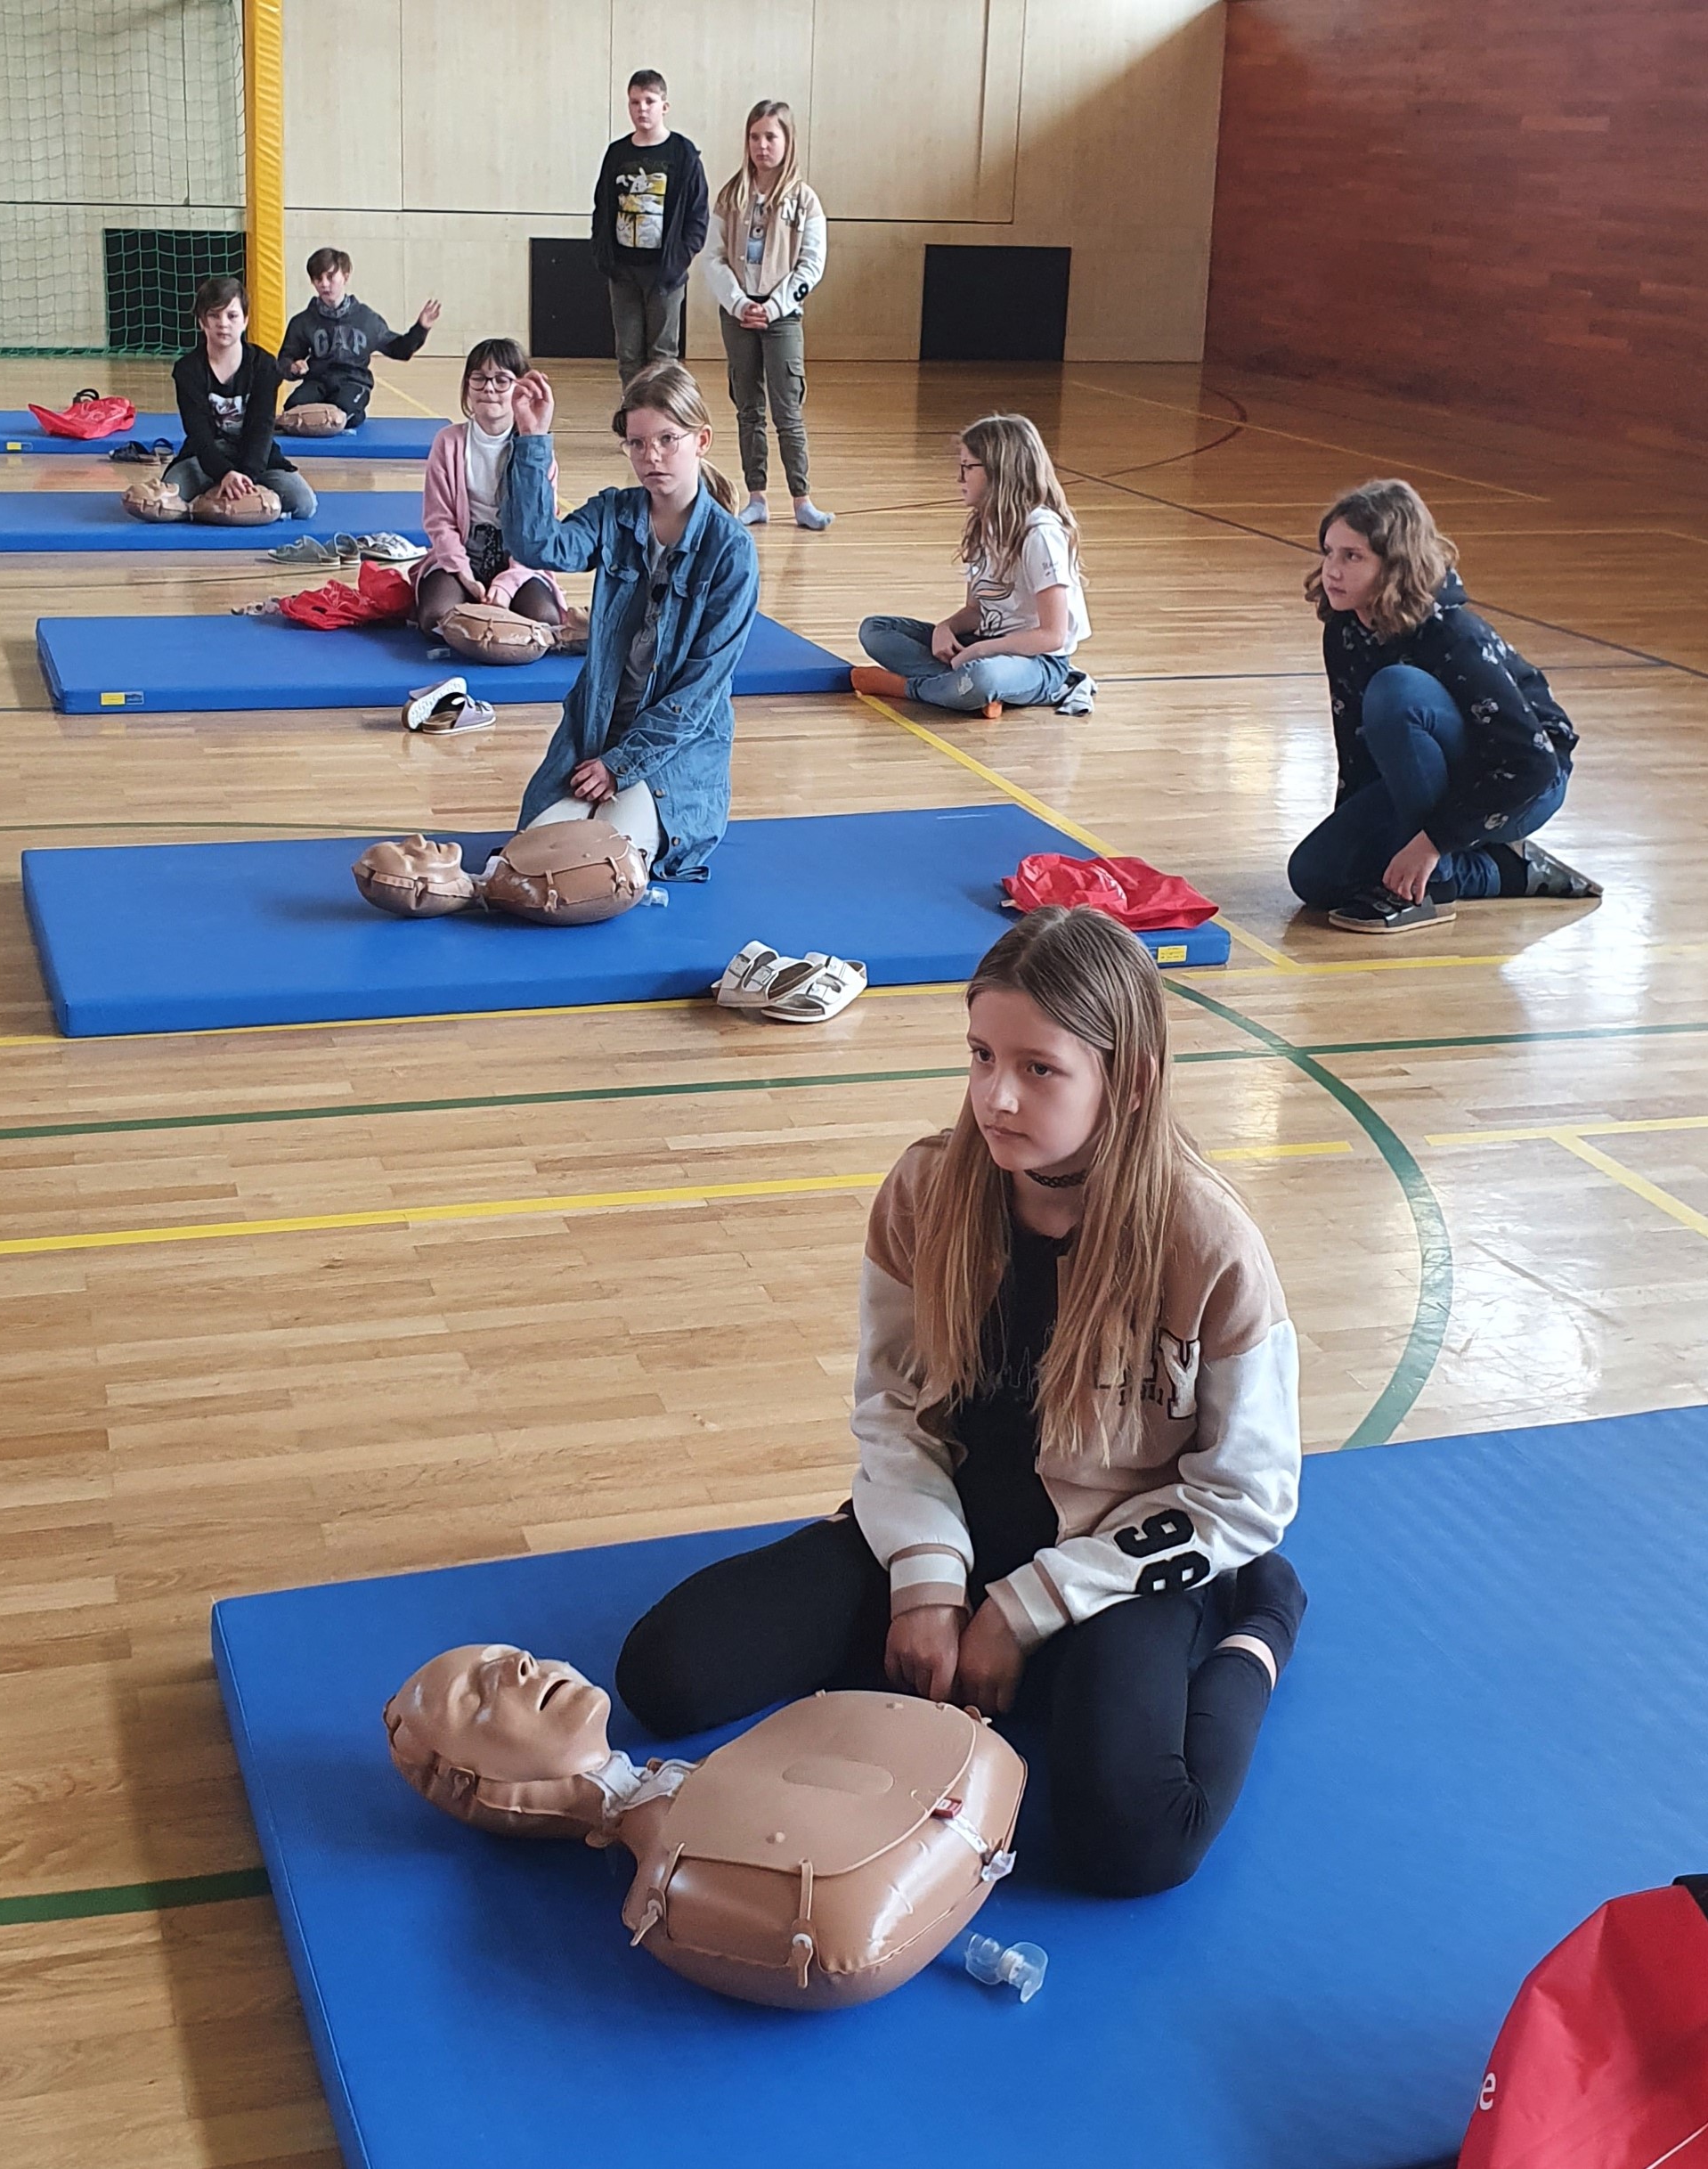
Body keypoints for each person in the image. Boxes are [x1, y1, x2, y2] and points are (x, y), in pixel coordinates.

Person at [616, 905, 1307, 1899]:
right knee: (667, 1671)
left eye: (1038, 1068)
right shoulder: (926, 1189)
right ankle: (998, 1641)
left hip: (1112, 1561)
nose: (995, 1096)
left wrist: (1025, 1609)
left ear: (1130, 1079)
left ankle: (1260, 1617)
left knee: (1136, 1842)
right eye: (981, 1055)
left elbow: (1246, 1491)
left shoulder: (1209, 1244)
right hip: (952, 1521)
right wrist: (928, 1582)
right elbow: (892, 1412)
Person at [1289, 478, 1599, 934]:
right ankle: (1505, 869)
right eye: (1329, 552)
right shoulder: (1345, 628)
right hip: (1434, 776)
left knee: (1397, 691)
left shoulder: (1453, 635)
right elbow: (1355, 744)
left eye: (1352, 556)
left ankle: (1437, 887)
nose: (1332, 570)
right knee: (1316, 876)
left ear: (1395, 566)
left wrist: (1430, 845)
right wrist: (1354, 833)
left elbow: (1532, 764)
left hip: (1522, 784)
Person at [500, 361, 758, 879]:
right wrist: (532, 439)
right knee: (529, 859)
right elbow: (536, 545)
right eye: (637, 443)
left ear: (702, 440)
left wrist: (619, 766)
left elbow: (697, 695)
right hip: (596, 731)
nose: (651, 456)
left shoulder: (731, 551)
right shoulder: (614, 513)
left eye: (667, 439)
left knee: (601, 866)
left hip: (672, 751)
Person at [851, 412, 1093, 714]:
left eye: (968, 467)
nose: (959, 478)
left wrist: (980, 651)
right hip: (985, 645)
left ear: (998, 470)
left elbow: (1052, 636)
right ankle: (967, 690)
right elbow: (976, 611)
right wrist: (946, 628)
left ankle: (906, 688)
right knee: (875, 630)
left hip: (1037, 661)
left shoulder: (1040, 534)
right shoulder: (983, 524)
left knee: (983, 676)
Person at [703, 100, 831, 531]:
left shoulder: (804, 201)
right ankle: (756, 497)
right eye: (755, 137)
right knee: (748, 408)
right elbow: (714, 256)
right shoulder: (731, 196)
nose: (762, 145)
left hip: (782, 317)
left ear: (787, 141)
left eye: (771, 137)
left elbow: (811, 264)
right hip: (739, 315)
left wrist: (775, 306)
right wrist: (739, 303)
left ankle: (802, 500)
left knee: (787, 409)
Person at [411, 338, 565, 640]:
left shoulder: (535, 452)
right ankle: (473, 605)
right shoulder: (448, 441)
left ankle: (487, 613)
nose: (489, 388)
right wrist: (463, 573)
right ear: (467, 386)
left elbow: (540, 530)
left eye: (501, 380)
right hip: (462, 554)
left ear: (520, 388)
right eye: (479, 378)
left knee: (544, 620)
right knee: (435, 618)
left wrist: (508, 584)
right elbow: (439, 521)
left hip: (519, 557)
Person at [590, 70, 709, 388]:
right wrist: (604, 256)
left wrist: (679, 259)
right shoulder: (617, 153)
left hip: (665, 273)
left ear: (664, 106)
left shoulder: (683, 153)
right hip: (623, 271)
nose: (641, 108)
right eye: (635, 102)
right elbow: (602, 206)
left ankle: (661, 414)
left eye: (649, 101)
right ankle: (633, 413)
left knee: (662, 355)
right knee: (628, 354)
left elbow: (698, 215)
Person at [166, 276, 315, 519]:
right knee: (168, 500)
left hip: (254, 455)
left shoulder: (264, 366)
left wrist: (247, 476)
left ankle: (217, 501)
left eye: (232, 316)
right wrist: (224, 473)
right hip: (205, 457)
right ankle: (215, 499)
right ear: (202, 322)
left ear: (245, 320)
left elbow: (262, 427)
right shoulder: (188, 370)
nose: (223, 324)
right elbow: (198, 433)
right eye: (214, 316)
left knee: (304, 505)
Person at [277, 248, 441, 428]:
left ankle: (347, 415)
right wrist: (293, 367)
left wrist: (421, 328)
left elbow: (400, 350)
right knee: (292, 410)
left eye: (330, 277)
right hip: (318, 381)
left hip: (353, 382)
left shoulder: (366, 319)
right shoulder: (303, 321)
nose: (324, 284)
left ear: (345, 276)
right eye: (318, 279)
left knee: (340, 416)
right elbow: (285, 359)